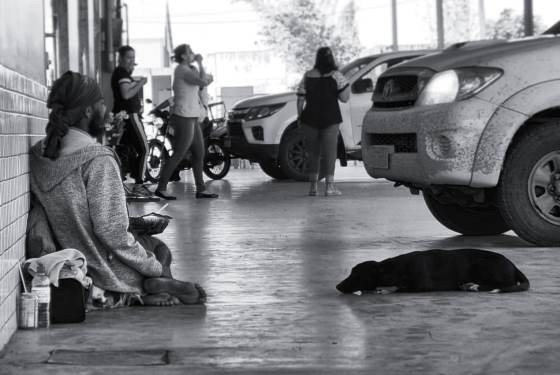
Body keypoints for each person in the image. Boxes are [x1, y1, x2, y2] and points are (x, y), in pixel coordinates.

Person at [29, 71, 206, 307]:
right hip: (107, 270)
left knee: (149, 244)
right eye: (102, 103)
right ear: (88, 111)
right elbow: (112, 232)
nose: (107, 110)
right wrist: (153, 268)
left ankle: (154, 287)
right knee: (159, 252)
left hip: (73, 258)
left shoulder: (40, 155)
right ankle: (151, 284)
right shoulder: (98, 160)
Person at [155, 44, 218, 200]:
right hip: (183, 116)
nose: (193, 54)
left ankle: (201, 189)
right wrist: (201, 63)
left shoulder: (187, 70)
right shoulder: (182, 70)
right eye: (190, 53)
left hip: (192, 116)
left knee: (199, 153)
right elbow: (202, 82)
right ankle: (161, 188)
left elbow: (203, 81)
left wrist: (204, 76)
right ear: (183, 56)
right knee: (180, 153)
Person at [296, 46, 350, 196]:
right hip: (331, 118)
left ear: (317, 59)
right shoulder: (336, 76)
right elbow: (345, 98)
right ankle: (329, 187)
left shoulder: (308, 76)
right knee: (330, 152)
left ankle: (313, 187)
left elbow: (300, 99)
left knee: (312, 152)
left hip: (310, 118)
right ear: (331, 58)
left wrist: (300, 117)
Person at [111, 45, 151, 195]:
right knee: (144, 149)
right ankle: (139, 185)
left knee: (126, 151)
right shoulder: (121, 74)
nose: (131, 61)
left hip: (126, 116)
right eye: (128, 57)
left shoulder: (122, 74)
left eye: (133, 58)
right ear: (120, 58)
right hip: (130, 116)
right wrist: (140, 83)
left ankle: (121, 184)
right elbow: (126, 94)